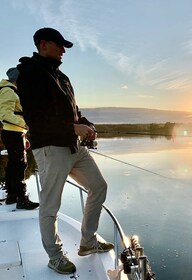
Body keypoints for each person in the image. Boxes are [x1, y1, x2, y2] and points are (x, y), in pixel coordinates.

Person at [16, 27, 114, 275]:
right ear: (43, 44)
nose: (63, 50)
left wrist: (86, 125)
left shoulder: (63, 77)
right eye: (59, 45)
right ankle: (55, 256)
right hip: (50, 148)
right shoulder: (29, 73)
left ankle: (87, 243)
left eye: (64, 46)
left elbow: (74, 112)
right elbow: (35, 118)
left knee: (99, 186)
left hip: (74, 146)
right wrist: (74, 126)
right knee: (50, 206)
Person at [0, 67, 39, 210]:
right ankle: (22, 198)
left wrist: (24, 135)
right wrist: (26, 125)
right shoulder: (8, 91)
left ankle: (12, 196)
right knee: (20, 165)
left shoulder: (10, 90)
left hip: (15, 133)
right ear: (18, 79)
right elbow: (5, 115)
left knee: (14, 164)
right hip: (13, 133)